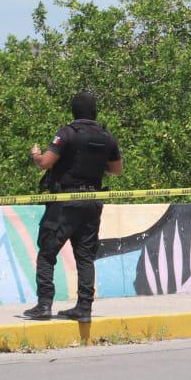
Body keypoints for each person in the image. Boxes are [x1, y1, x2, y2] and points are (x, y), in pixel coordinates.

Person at [22, 91, 123, 321]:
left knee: (47, 253)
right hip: (92, 202)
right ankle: (84, 308)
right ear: (95, 112)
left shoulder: (67, 133)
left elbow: (46, 163)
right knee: (85, 257)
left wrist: (36, 155)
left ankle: (44, 305)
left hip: (65, 203)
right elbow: (116, 170)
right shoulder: (107, 136)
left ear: (73, 112)